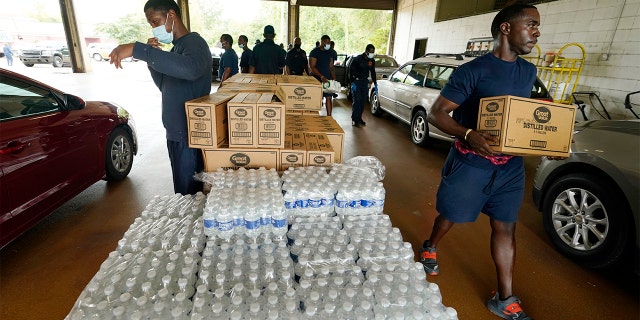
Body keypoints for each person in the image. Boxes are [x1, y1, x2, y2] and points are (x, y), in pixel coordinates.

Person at [422, 3, 541, 320]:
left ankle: (505, 298)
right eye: (531, 25)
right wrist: (468, 134)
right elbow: (437, 113)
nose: (537, 32)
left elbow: (528, 116)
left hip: (509, 169)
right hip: (470, 164)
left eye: (537, 26)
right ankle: (431, 244)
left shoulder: (528, 71)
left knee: (505, 228)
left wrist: (549, 137)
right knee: (450, 215)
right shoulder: (473, 71)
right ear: (506, 28)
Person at [108, 0, 212, 195]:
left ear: (171, 15)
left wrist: (139, 50)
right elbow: (164, 85)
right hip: (175, 133)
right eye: (151, 24)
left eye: (156, 21)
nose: (154, 28)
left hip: (188, 135)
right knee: (183, 194)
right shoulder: (176, 49)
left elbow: (190, 70)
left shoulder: (194, 43)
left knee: (189, 196)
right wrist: (152, 58)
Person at [349, 44, 377, 128]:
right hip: (356, 82)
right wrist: (352, 83)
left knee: (362, 101)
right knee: (357, 101)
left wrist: (375, 82)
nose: (372, 53)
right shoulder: (357, 59)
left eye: (373, 52)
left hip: (364, 82)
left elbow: (373, 72)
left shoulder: (372, 60)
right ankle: (354, 119)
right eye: (371, 52)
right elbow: (351, 71)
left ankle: (359, 118)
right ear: (366, 51)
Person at [309, 35, 336, 116]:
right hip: (317, 79)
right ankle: (314, 116)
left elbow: (331, 66)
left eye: (329, 43)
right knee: (317, 99)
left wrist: (334, 78)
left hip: (327, 79)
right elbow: (312, 67)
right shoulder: (315, 52)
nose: (328, 44)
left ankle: (329, 117)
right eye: (327, 43)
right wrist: (321, 76)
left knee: (328, 97)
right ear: (322, 42)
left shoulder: (330, 52)